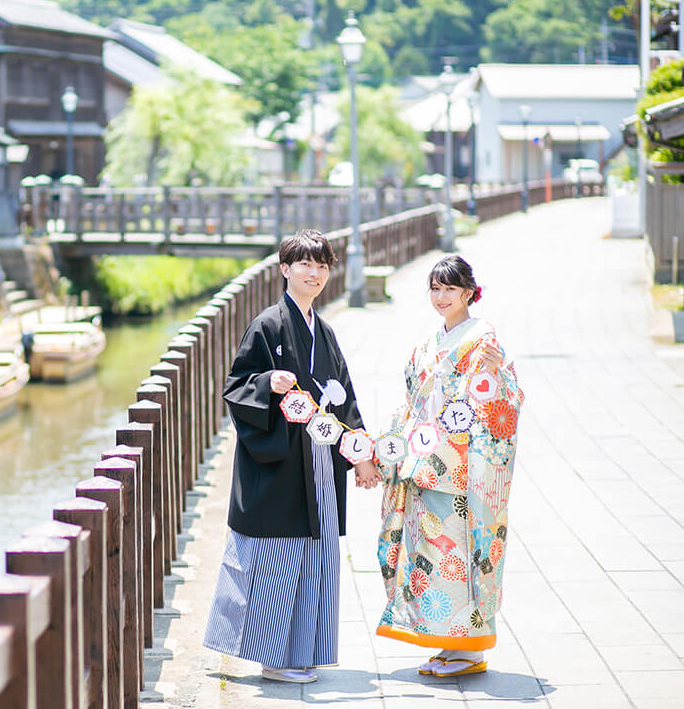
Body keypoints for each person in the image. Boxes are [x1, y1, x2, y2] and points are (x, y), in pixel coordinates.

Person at [203, 228, 382, 684]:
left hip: (319, 461)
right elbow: (236, 386)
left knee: (315, 557)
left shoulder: (324, 331)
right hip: (281, 463)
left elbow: (346, 400)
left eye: (322, 266)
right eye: (304, 264)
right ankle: (273, 657)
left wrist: (360, 454)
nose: (314, 273)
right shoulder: (268, 324)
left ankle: (302, 650)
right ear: (284, 269)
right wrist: (268, 384)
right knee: (275, 559)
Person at [374, 255, 523, 677]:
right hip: (425, 464)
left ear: (468, 293)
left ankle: (471, 648)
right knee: (432, 558)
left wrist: (495, 375)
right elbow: (414, 400)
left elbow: (500, 397)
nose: (441, 298)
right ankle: (449, 641)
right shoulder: (430, 341)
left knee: (458, 554)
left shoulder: (483, 336)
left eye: (450, 289)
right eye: (435, 289)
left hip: (461, 470)